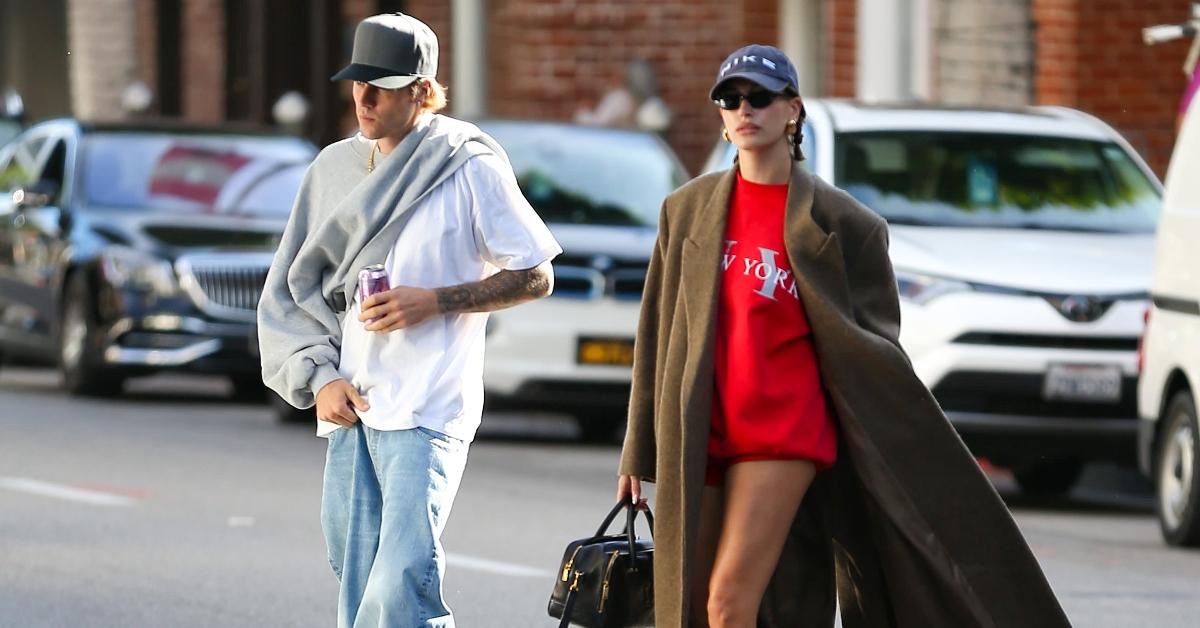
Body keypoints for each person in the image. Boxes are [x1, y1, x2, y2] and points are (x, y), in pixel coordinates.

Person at [616, 44, 1073, 628]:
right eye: (730, 100)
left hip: (782, 434)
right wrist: (637, 446)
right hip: (701, 427)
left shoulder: (845, 224)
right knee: (687, 606)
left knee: (729, 604)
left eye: (759, 97)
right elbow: (655, 331)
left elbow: (875, 349)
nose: (743, 110)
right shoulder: (687, 211)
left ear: (793, 110)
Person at [257, 13, 561, 628]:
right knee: (358, 584)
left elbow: (536, 273)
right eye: (357, 83)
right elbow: (293, 288)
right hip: (352, 406)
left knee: (400, 586)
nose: (363, 100)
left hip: (429, 407)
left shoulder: (466, 165)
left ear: (422, 90)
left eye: (383, 86)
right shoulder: (334, 170)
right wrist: (319, 379)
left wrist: (436, 300)